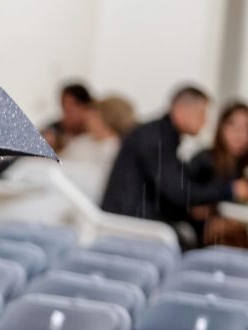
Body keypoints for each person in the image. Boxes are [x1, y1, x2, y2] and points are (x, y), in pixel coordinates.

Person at [101, 86, 248, 249]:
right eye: (201, 114)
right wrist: (230, 190)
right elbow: (177, 192)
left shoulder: (160, 136)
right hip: (132, 225)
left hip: (137, 220)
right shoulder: (157, 139)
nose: (204, 121)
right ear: (181, 111)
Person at [188, 101, 248, 247]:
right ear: (221, 128)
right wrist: (231, 190)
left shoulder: (242, 165)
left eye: (246, 127)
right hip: (206, 237)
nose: (239, 134)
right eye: (232, 126)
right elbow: (189, 199)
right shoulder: (204, 160)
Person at [60, 95, 136, 203]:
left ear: (107, 119)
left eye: (95, 116)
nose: (88, 119)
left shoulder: (119, 150)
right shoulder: (82, 141)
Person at [42, 82, 95, 154]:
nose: (66, 115)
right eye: (64, 109)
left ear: (85, 108)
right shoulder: (55, 130)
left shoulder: (96, 134)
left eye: (70, 111)